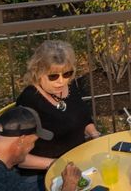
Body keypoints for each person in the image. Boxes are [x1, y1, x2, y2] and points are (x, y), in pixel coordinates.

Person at [15, 40, 98, 168]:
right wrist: (57, 164)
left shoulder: (70, 88)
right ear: (38, 72)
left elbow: (84, 118)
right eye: (53, 76)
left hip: (79, 161)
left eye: (67, 74)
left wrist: (94, 134)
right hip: (45, 170)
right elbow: (17, 156)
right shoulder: (29, 100)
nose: (61, 81)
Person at [0, 105, 78, 191]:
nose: (32, 147)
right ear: (22, 140)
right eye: (33, 141)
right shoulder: (5, 181)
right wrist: (69, 186)